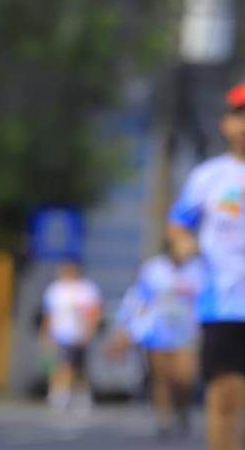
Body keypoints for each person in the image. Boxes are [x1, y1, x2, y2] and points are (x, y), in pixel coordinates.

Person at [168, 82, 245, 450]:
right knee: (226, 397)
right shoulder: (208, 176)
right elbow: (179, 220)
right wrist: (183, 241)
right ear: (225, 124)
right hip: (226, 302)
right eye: (239, 115)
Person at [107, 242, 204, 437]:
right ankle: (164, 417)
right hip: (158, 333)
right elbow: (139, 299)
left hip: (186, 333)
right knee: (161, 378)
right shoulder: (154, 269)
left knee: (184, 377)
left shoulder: (198, 269)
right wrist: (126, 331)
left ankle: (183, 410)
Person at [39, 259, 102, 414]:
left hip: (80, 334)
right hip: (62, 334)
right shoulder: (55, 289)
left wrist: (90, 330)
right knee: (62, 365)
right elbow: (48, 314)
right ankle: (60, 396)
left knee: (80, 368)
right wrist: (46, 334)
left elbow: (95, 311)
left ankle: (82, 396)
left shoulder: (87, 288)